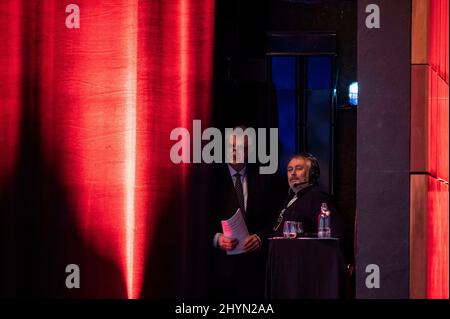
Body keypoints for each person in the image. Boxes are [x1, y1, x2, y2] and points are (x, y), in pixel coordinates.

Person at [209, 126, 282, 299]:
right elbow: (196, 219)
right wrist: (216, 238)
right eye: (231, 145)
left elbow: (276, 216)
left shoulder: (266, 177)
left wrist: (260, 237)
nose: (235, 150)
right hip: (218, 268)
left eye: (241, 147)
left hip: (255, 268)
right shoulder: (210, 177)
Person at [273, 152, 347, 241]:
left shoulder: (316, 197)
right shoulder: (294, 198)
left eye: (299, 168)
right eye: (289, 169)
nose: (293, 173)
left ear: (312, 174)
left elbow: (336, 233)